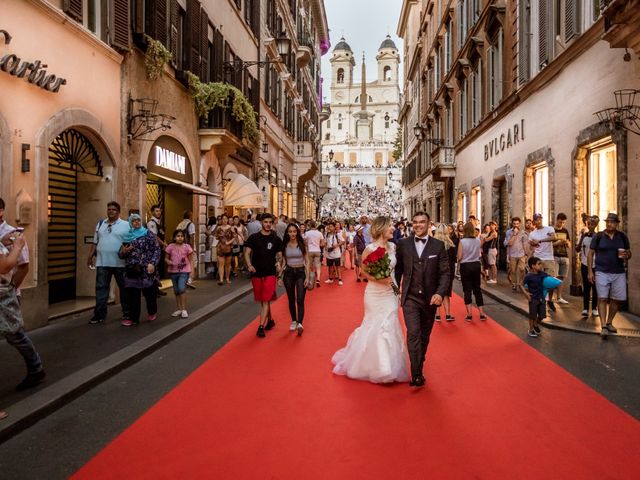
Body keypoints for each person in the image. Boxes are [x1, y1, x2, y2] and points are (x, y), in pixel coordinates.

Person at [332, 216, 410, 384]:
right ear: (381, 228)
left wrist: (397, 291)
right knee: (374, 325)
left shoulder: (394, 247)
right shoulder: (370, 248)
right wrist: (381, 279)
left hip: (391, 293)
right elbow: (364, 272)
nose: (393, 229)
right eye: (390, 226)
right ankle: (381, 368)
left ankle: (388, 366)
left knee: (389, 325)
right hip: (374, 294)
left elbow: (393, 275)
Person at [395, 212, 450, 388]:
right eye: (415, 222)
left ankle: (419, 363)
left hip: (430, 299)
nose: (418, 225)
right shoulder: (403, 244)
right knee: (413, 334)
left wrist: (440, 293)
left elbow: (445, 273)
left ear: (429, 224)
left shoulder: (438, 246)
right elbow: (397, 271)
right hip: (410, 297)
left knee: (424, 336)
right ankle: (416, 373)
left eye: (422, 222)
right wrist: (395, 291)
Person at [0, 219, 46, 391]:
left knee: (15, 334)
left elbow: (23, 266)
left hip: (5, 296)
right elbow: (4, 266)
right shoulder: (14, 238)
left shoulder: (10, 232)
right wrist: (17, 245)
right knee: (15, 334)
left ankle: (36, 367)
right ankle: (36, 367)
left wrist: (11, 290)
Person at [588, 213, 631, 336]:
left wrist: (627, 255)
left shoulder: (622, 236)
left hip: (618, 272)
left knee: (616, 299)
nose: (609, 224)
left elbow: (628, 253)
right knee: (602, 298)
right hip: (601, 271)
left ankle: (609, 322)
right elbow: (591, 253)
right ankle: (603, 326)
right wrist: (590, 271)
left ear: (617, 223)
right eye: (607, 222)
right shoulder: (599, 236)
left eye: (612, 222)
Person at [87, 201, 131, 324]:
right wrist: (90, 256)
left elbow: (132, 242)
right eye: (109, 209)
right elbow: (95, 242)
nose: (111, 211)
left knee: (124, 289)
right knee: (101, 289)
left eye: (114, 210)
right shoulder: (101, 224)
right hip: (102, 262)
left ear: (118, 212)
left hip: (120, 263)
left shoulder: (126, 225)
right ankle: (99, 315)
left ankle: (127, 312)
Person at [118, 214, 161, 326]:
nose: (136, 222)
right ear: (130, 223)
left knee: (150, 294)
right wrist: (125, 251)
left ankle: (152, 312)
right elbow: (120, 254)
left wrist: (152, 263)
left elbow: (156, 249)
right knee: (133, 295)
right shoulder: (128, 236)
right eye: (133, 221)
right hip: (132, 269)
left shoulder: (148, 234)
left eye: (138, 220)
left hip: (147, 269)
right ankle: (133, 319)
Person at [244, 214, 283, 338]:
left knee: (265, 300)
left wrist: (278, 261)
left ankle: (261, 326)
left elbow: (280, 254)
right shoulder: (254, 237)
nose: (268, 224)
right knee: (263, 300)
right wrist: (249, 265)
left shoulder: (276, 238)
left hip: (270, 273)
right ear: (261, 222)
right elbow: (247, 253)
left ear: (272, 223)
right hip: (257, 273)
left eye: (270, 222)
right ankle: (270, 320)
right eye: (266, 222)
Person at [279, 223, 310, 336]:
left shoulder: (302, 244)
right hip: (289, 273)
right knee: (291, 298)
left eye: (294, 231)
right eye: (290, 231)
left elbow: (307, 261)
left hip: (301, 272)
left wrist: (307, 276)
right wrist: (279, 276)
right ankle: (294, 320)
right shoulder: (285, 245)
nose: (292, 233)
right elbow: (283, 262)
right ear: (287, 233)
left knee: (300, 299)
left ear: (297, 232)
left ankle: (300, 323)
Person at [528, 213, 558, 312]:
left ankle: (550, 299)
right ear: (534, 222)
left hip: (549, 257)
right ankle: (541, 299)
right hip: (538, 258)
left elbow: (554, 237)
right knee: (539, 281)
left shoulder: (549, 229)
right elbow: (531, 244)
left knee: (551, 280)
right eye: (536, 219)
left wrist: (540, 241)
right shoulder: (532, 234)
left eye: (540, 219)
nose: (539, 221)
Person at [458, 221, 486, 321]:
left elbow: (459, 256)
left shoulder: (462, 241)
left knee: (467, 289)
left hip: (465, 266)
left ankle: (469, 314)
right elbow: (479, 254)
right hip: (476, 265)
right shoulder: (478, 241)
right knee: (477, 289)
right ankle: (481, 313)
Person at [165, 229, 195, 319]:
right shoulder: (170, 246)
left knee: (182, 289)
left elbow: (191, 260)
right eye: (178, 236)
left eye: (181, 236)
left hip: (184, 271)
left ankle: (184, 309)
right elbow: (165, 258)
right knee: (176, 291)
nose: (180, 238)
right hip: (173, 272)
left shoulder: (187, 247)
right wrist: (168, 261)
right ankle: (179, 309)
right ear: (174, 237)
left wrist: (192, 271)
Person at [520, 257, 549, 338]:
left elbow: (548, 280)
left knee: (542, 315)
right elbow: (520, 285)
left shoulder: (542, 274)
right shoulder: (529, 276)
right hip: (533, 298)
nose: (541, 266)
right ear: (533, 266)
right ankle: (531, 329)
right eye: (539, 264)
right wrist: (526, 294)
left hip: (541, 297)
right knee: (532, 315)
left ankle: (536, 324)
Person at [577, 216, 599, 317]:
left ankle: (594, 308)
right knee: (586, 287)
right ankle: (585, 308)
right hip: (585, 264)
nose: (591, 225)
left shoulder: (599, 236)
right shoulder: (584, 236)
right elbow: (577, 249)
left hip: (596, 265)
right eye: (589, 223)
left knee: (595, 287)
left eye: (593, 224)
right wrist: (582, 236)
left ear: (596, 225)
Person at [433, 224, 456, 322]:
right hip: (448, 272)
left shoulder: (433, 244)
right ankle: (447, 314)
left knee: (437, 292)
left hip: (436, 272)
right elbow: (453, 260)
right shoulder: (450, 244)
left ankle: (437, 315)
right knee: (446, 294)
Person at [146, 204, 167, 297]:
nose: (159, 213)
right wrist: (163, 243)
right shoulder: (151, 223)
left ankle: (157, 289)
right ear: (152, 212)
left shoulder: (158, 223)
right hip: (153, 249)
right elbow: (154, 236)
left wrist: (164, 243)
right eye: (156, 211)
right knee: (153, 269)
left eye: (159, 211)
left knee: (157, 269)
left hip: (158, 248)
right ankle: (153, 290)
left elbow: (161, 235)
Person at [504, 217, 529, 291]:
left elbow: (525, 244)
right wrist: (514, 234)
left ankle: (520, 283)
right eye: (514, 224)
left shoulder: (523, 233)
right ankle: (514, 284)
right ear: (512, 224)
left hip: (521, 254)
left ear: (520, 224)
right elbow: (509, 243)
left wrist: (526, 254)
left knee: (521, 269)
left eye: (517, 224)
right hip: (512, 254)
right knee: (513, 270)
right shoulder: (508, 232)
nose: (516, 225)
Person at [552, 213, 571, 304]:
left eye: (564, 223)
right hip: (554, 256)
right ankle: (550, 297)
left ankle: (559, 297)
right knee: (553, 277)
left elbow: (570, 245)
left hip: (564, 256)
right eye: (560, 222)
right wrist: (558, 242)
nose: (562, 224)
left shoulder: (565, 231)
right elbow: (549, 245)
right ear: (557, 220)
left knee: (562, 278)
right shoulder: (552, 230)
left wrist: (567, 243)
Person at [176, 211, 197, 289]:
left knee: (183, 263)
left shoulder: (179, 224)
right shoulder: (191, 224)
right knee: (192, 263)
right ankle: (189, 280)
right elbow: (192, 236)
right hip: (188, 247)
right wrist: (192, 248)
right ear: (190, 216)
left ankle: (182, 279)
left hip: (180, 247)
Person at [214, 214, 236, 285]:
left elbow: (234, 237)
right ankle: (221, 280)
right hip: (220, 248)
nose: (224, 220)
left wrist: (229, 242)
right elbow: (216, 237)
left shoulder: (231, 228)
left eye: (226, 219)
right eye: (223, 219)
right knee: (221, 264)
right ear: (221, 220)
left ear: (228, 220)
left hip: (228, 248)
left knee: (228, 265)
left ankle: (227, 278)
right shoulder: (218, 228)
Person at [304, 220, 324, 287]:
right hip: (317, 250)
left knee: (309, 265)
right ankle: (318, 279)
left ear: (310, 225)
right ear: (316, 225)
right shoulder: (319, 233)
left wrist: (308, 245)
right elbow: (323, 243)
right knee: (318, 265)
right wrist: (318, 244)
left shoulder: (307, 233)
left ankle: (309, 279)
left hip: (310, 250)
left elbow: (304, 242)